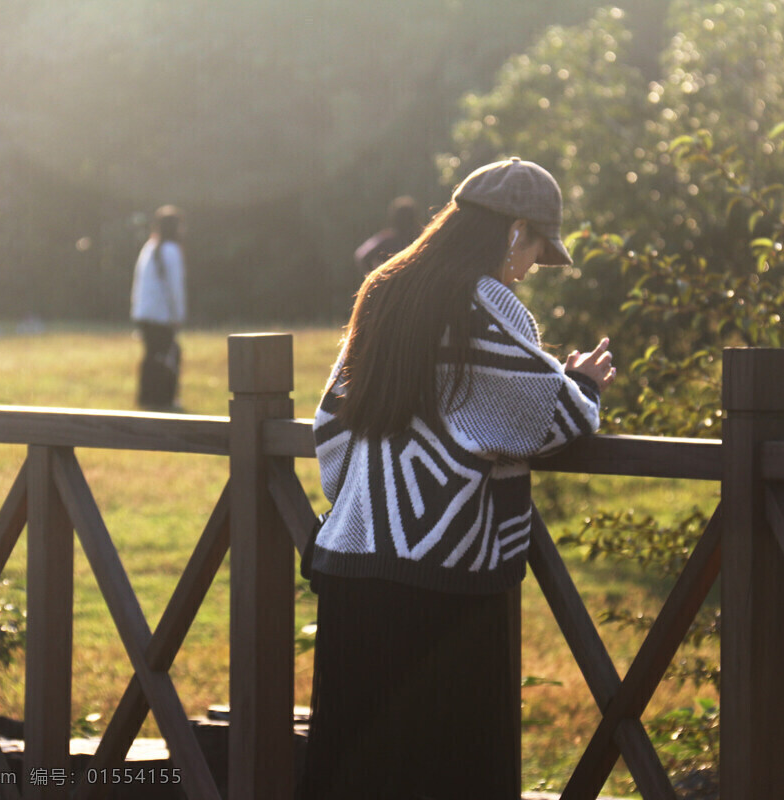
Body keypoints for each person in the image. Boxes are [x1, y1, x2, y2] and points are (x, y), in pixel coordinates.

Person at [297, 157, 616, 799]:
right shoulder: (486, 305)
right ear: (513, 230)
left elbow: (330, 423)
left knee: (358, 770)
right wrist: (581, 383)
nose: (527, 269)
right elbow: (547, 418)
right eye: (533, 251)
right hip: (440, 583)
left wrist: (368, 501)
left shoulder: (385, 287)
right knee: (445, 765)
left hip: (352, 564)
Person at [130, 205, 187, 410]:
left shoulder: (150, 247)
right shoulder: (171, 250)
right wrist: (178, 315)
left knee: (152, 356)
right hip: (161, 315)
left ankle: (147, 398)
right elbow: (175, 288)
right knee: (167, 356)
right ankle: (165, 399)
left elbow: (138, 283)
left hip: (144, 313)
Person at [354, 195, 422, 273]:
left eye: (408, 218)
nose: (406, 222)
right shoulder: (386, 240)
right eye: (403, 218)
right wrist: (376, 276)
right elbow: (363, 256)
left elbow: (363, 256)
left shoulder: (419, 239)